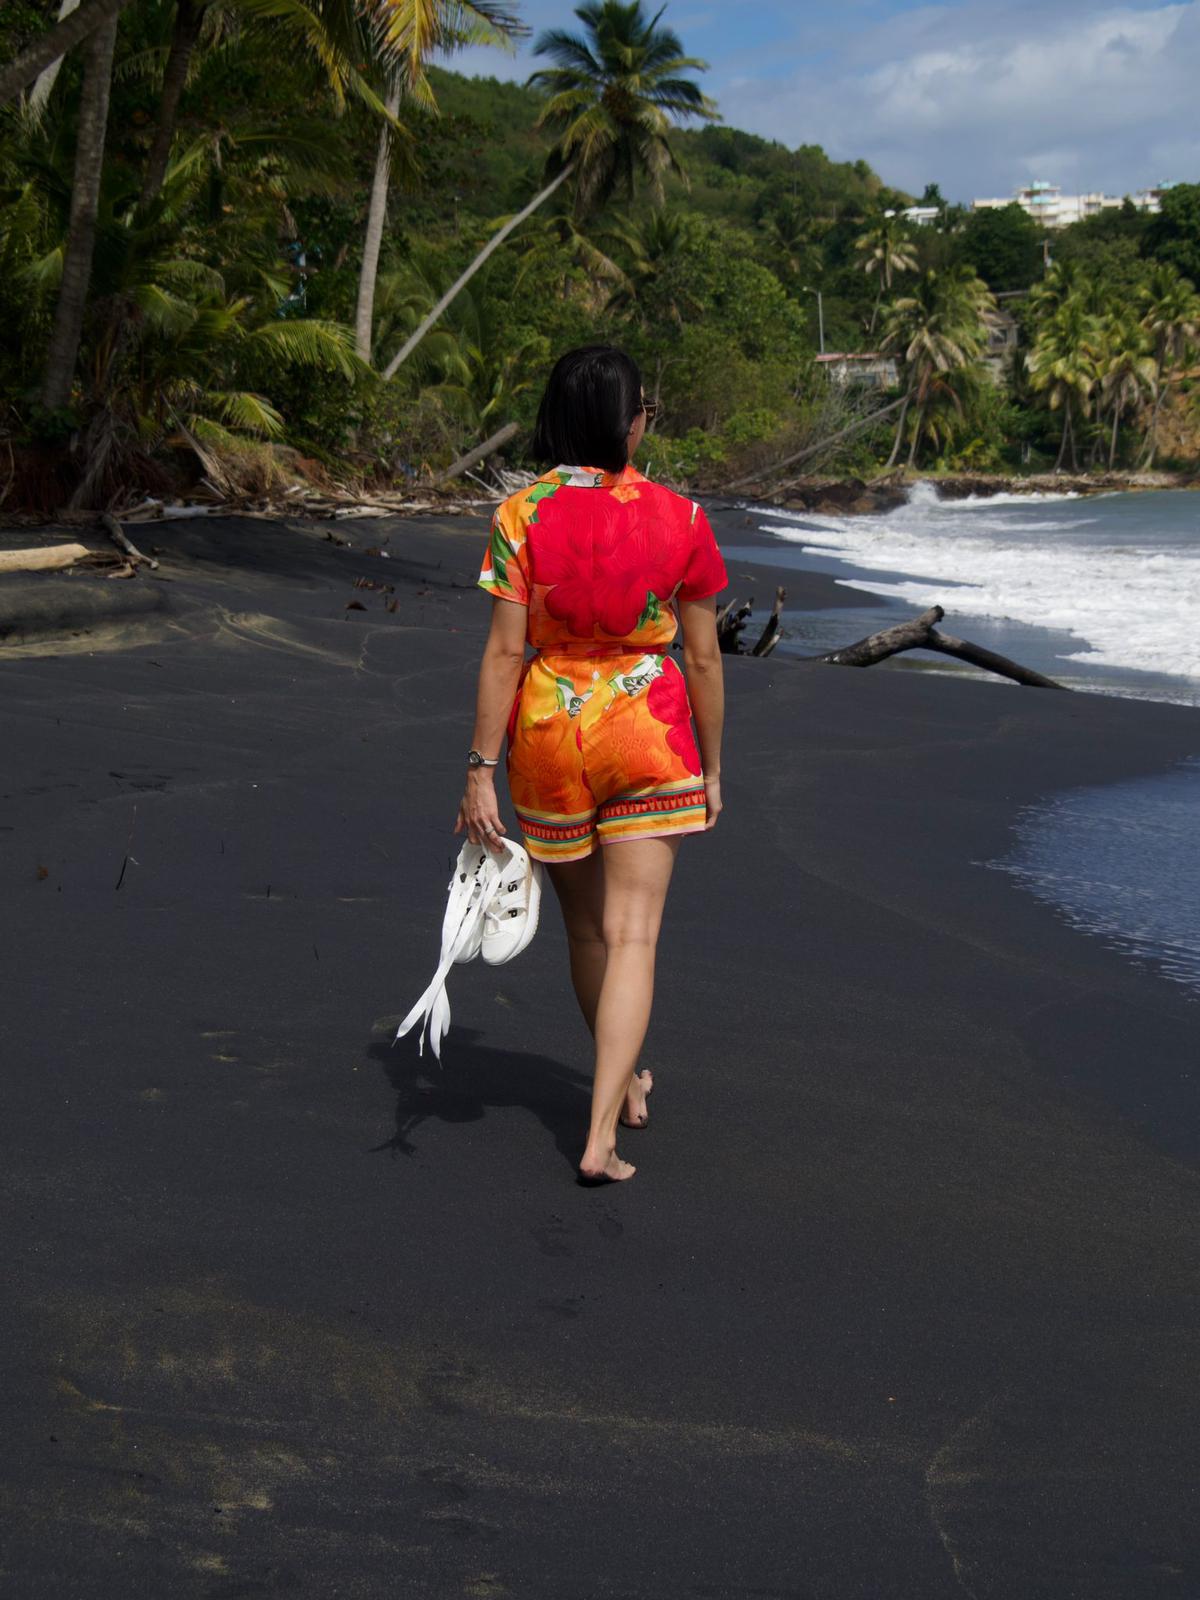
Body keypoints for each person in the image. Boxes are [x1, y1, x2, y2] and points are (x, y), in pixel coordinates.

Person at [455, 345, 727, 1185]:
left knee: (586, 930)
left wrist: (477, 770)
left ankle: (625, 1086)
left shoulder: (519, 515)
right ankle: (602, 1127)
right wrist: (712, 768)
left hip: (548, 732)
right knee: (634, 933)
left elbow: (504, 653)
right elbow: (707, 657)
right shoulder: (680, 517)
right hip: (648, 728)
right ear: (631, 419)